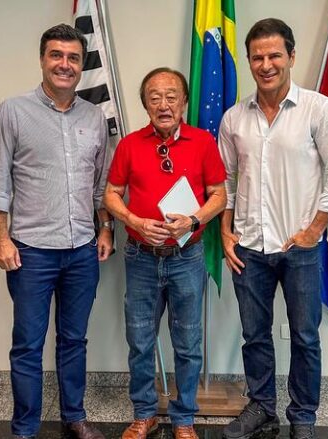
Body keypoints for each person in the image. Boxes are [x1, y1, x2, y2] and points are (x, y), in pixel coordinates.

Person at [218, 18, 328, 439]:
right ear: (249, 61)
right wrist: (225, 230)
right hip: (248, 247)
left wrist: (315, 229)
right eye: (257, 57)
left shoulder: (319, 109)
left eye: (275, 55)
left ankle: (303, 417)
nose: (266, 65)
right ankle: (262, 407)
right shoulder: (234, 118)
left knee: (305, 337)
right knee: (254, 336)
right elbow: (226, 180)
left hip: (300, 248)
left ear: (291, 57)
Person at [0, 23, 113, 439]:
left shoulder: (94, 117)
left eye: (73, 58)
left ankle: (74, 417)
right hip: (31, 252)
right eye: (57, 55)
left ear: (82, 65)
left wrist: (105, 229)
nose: (65, 64)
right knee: (28, 344)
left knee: (74, 340)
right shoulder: (13, 111)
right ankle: (25, 429)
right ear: (42, 59)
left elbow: (100, 185)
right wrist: (1, 239)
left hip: (82, 251)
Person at [103, 67, 227, 439]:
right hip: (141, 257)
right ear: (145, 104)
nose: (163, 104)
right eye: (154, 97)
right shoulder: (129, 145)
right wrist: (133, 220)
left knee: (187, 342)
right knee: (140, 340)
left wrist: (193, 220)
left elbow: (219, 195)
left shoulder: (203, 142)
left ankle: (183, 418)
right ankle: (145, 414)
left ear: (184, 101)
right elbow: (111, 194)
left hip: (187, 259)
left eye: (171, 96)